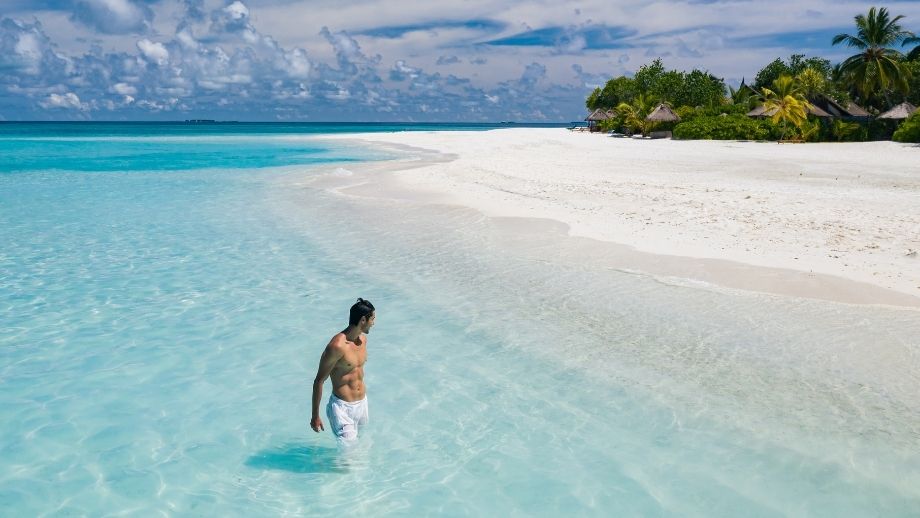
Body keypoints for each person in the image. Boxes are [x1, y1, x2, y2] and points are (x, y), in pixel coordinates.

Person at [311, 298, 375, 446]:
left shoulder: (363, 340)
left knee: (363, 448)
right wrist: (315, 416)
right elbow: (319, 380)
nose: (374, 323)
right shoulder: (337, 346)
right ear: (363, 320)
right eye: (372, 319)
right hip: (342, 409)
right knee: (349, 458)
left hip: (362, 405)